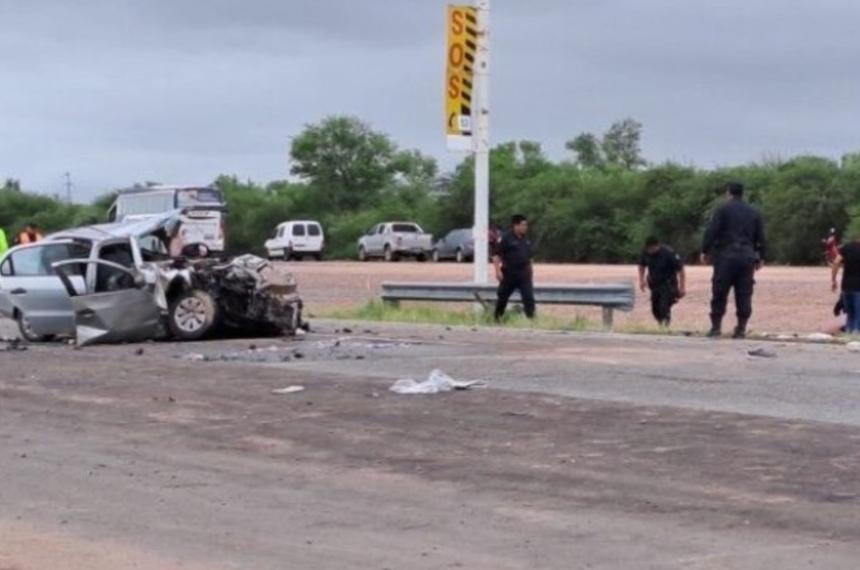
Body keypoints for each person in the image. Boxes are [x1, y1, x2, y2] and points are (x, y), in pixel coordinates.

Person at [701, 182, 766, 339]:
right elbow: (761, 236)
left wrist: (705, 250)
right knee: (744, 293)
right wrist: (761, 256)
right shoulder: (754, 212)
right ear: (742, 194)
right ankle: (741, 328)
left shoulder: (722, 209)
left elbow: (712, 231)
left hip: (726, 256)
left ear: (728, 193)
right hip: (746, 256)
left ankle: (716, 328)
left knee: (719, 291)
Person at [493, 214, 535, 321]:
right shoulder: (506, 238)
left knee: (528, 298)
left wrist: (531, 271)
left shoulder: (526, 239)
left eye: (526, 225)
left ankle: (532, 321)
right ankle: (497, 319)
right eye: (523, 225)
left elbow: (529, 257)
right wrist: (498, 271)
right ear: (515, 225)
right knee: (502, 297)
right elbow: (496, 255)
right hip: (509, 274)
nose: (525, 227)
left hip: (524, 275)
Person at [638, 236, 686, 327]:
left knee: (664, 307)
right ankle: (661, 324)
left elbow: (681, 270)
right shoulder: (646, 252)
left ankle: (665, 326)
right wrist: (641, 280)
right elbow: (641, 265)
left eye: (651, 249)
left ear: (656, 246)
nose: (649, 252)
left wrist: (682, 287)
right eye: (647, 249)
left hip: (668, 284)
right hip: (655, 284)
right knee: (655, 309)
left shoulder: (668, 253)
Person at [831, 236, 860, 333]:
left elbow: (836, 262)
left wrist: (834, 280)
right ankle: (855, 338)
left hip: (846, 287)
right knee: (858, 317)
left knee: (849, 315)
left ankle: (848, 335)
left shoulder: (847, 247)